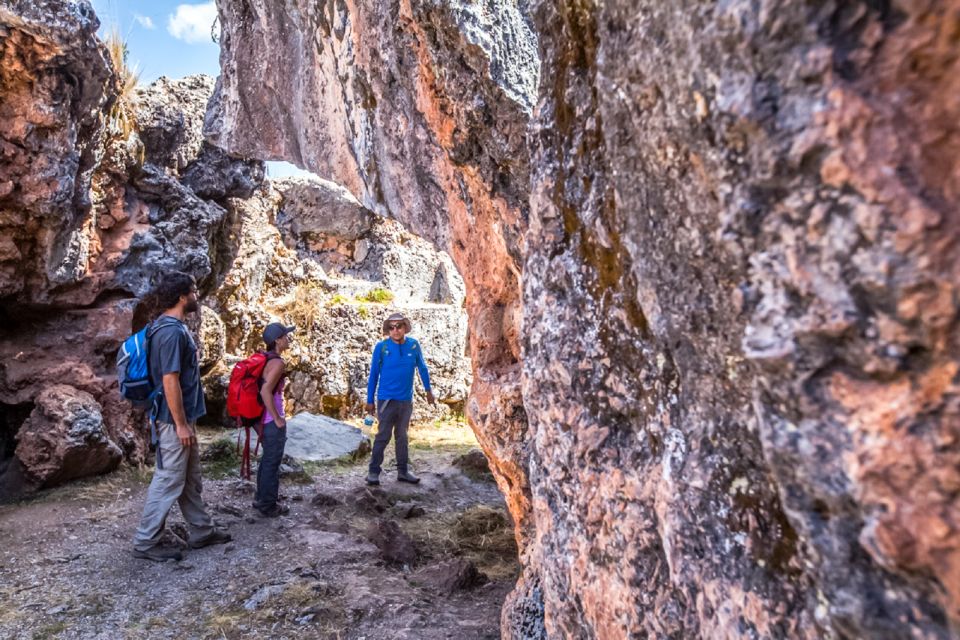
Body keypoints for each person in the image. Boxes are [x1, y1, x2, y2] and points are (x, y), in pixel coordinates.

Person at [132, 271, 231, 561]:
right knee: (169, 479)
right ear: (181, 297)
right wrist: (180, 425)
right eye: (194, 292)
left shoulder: (163, 328)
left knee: (189, 478)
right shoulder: (171, 332)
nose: (196, 297)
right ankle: (146, 541)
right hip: (173, 421)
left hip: (181, 419)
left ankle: (201, 530)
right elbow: (169, 380)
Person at [365, 312, 435, 485]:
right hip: (386, 400)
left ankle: (403, 471)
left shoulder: (413, 346)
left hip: (405, 400)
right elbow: (373, 374)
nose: (395, 330)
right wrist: (369, 400)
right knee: (383, 436)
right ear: (388, 329)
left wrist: (428, 390)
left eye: (399, 326)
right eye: (391, 327)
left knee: (402, 436)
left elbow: (422, 368)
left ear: (405, 328)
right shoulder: (381, 347)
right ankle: (373, 472)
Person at [252, 322, 294, 517]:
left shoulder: (266, 358)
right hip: (270, 419)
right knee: (272, 461)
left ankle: (261, 498)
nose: (288, 338)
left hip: (261, 418)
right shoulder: (277, 363)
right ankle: (268, 505)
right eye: (285, 335)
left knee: (267, 459)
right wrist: (277, 418)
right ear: (277, 340)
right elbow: (265, 391)